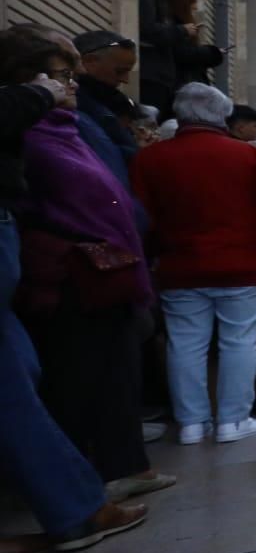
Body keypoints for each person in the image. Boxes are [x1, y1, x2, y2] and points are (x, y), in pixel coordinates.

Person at [1, 29, 169, 500]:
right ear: (25, 82)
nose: (71, 85)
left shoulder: (71, 130)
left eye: (72, 75)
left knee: (114, 370)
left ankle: (119, 468)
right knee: (70, 379)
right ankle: (72, 491)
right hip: (69, 271)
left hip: (107, 267)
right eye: (61, 76)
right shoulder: (30, 135)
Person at [132, 82, 256, 444]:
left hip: (179, 266)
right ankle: (233, 420)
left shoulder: (151, 158)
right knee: (239, 341)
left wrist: (157, 252)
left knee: (185, 343)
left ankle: (191, 423)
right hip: (242, 264)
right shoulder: (247, 156)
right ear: (223, 116)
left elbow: (141, 216)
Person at [72, 30, 141, 170]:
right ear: (89, 61)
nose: (125, 80)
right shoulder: (74, 105)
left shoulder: (114, 104)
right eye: (120, 71)